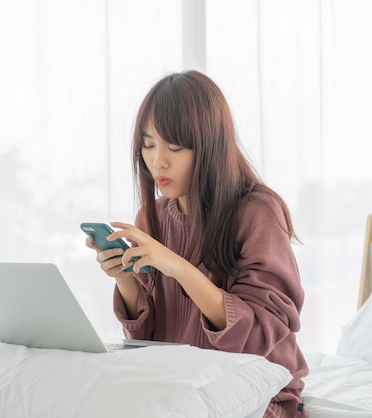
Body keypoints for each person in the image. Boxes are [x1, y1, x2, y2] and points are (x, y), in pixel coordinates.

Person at [85, 70, 308, 417]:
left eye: (174, 146)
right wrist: (125, 278)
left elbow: (264, 336)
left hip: (256, 396)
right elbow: (150, 341)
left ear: (210, 145)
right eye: (148, 144)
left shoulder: (257, 212)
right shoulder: (153, 217)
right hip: (179, 390)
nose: (158, 160)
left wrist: (178, 267)